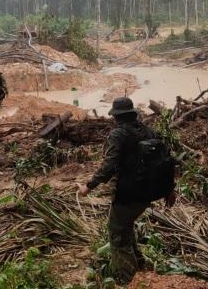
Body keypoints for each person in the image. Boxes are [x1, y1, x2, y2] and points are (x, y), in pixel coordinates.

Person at [77, 97, 176, 285]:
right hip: (148, 193)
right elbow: (167, 161)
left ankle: (126, 279)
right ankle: (140, 266)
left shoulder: (118, 134)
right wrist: (170, 190)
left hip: (128, 195)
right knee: (125, 227)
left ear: (116, 117)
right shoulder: (149, 131)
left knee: (117, 234)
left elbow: (109, 165)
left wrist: (88, 187)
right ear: (132, 114)